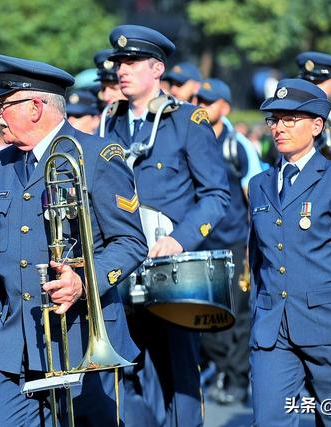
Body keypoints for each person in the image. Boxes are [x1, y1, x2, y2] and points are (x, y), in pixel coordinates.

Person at [0, 54, 148, 426]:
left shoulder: (96, 156)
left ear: (35, 107)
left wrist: (84, 281)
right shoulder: (2, 164)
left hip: (81, 341)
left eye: (3, 104)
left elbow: (131, 243)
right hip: (17, 347)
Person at [103, 25, 230, 426]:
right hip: (121, 268)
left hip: (172, 272)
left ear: (157, 68)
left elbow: (216, 196)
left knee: (180, 380)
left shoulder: (188, 120)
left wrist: (180, 238)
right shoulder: (111, 120)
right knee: (122, 375)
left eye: (132, 62)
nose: (122, 69)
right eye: (119, 62)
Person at [249, 78, 331, 426]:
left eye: (291, 119)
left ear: (317, 125)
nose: (279, 127)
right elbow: (258, 259)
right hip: (272, 328)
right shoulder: (259, 185)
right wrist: (257, 316)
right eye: (274, 119)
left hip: (328, 329)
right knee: (269, 419)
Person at [195, 78, 262, 405]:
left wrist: (254, 244)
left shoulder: (239, 145)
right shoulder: (194, 139)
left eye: (209, 101)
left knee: (237, 311)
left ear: (225, 107)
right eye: (199, 100)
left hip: (235, 241)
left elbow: (255, 194)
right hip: (202, 242)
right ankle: (220, 369)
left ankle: (236, 378)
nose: (202, 106)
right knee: (208, 312)